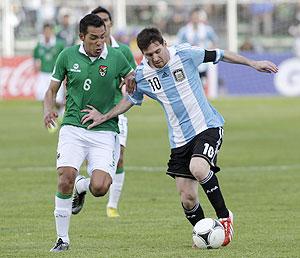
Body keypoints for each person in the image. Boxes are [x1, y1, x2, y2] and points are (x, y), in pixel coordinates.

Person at [79, 27, 278, 248]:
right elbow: (130, 100)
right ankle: (205, 236)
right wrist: (105, 115)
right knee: (187, 198)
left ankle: (224, 218)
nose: (155, 58)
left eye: (157, 51)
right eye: (149, 55)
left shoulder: (185, 54)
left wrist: (253, 63)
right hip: (179, 140)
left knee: (199, 168)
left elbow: (220, 54)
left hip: (207, 126)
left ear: (164, 44)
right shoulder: (142, 74)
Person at [43, 14, 134, 252]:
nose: (99, 42)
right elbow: (51, 90)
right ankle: (62, 239)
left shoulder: (117, 57)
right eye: (93, 38)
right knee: (65, 177)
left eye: (102, 37)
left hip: (105, 131)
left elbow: (133, 86)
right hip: (73, 127)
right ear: (81, 37)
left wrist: (131, 83)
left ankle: (82, 186)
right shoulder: (67, 55)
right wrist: (48, 109)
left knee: (100, 188)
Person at [80, 5, 136, 218]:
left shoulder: (122, 52)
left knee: (119, 158)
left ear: (110, 24)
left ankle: (112, 205)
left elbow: (132, 79)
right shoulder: (83, 51)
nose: (103, 23)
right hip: (90, 112)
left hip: (117, 114)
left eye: (105, 20)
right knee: (91, 162)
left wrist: (127, 88)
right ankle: (84, 187)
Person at [33, 23, 65, 131]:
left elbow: (63, 60)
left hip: (55, 74)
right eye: (45, 31)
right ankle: (48, 119)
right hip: (43, 74)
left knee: (57, 100)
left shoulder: (59, 44)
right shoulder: (39, 46)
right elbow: (37, 61)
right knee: (43, 97)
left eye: (48, 31)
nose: (47, 33)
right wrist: (37, 65)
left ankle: (61, 112)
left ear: (51, 31)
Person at [177, 8, 218, 87]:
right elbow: (178, 43)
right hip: (189, 58)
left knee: (203, 80)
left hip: (203, 57)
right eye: (193, 17)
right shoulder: (184, 30)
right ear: (190, 18)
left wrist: (210, 50)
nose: (195, 19)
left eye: (197, 17)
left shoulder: (207, 29)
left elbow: (215, 40)